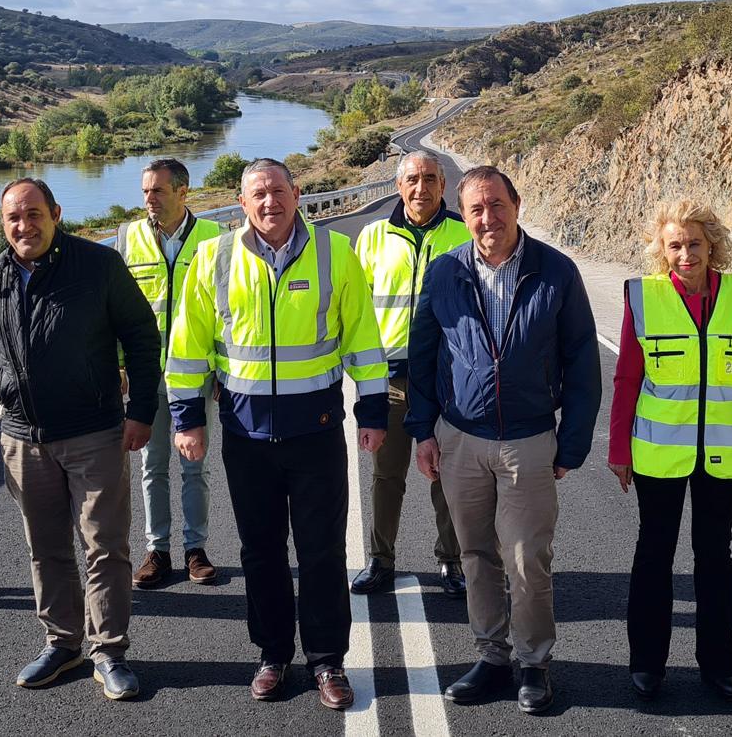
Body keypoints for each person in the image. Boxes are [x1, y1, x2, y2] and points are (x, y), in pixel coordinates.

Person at [165, 158, 388, 711]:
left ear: (298, 194)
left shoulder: (336, 253)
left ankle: (328, 661)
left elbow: (361, 333)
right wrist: (187, 416)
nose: (270, 202)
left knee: (321, 552)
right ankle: (272, 656)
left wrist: (375, 408)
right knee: (260, 552)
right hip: (245, 435)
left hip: (315, 432)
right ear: (241, 203)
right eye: (258, 194)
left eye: (279, 191)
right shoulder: (214, 257)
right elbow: (189, 343)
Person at [0, 178, 161, 702]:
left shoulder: (98, 266)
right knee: (46, 549)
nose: (25, 226)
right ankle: (62, 644)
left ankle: (108, 651)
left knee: (104, 547)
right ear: (4, 224)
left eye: (35, 214)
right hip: (22, 439)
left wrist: (142, 411)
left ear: (55, 213)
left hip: (94, 431)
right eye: (15, 218)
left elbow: (141, 335)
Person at [407, 165, 602, 716]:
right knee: (475, 555)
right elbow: (422, 357)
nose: (487, 218)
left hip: (528, 439)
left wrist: (573, 442)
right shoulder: (445, 272)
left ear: (516, 204)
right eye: (475, 209)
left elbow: (582, 362)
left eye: (496, 205)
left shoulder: (556, 271)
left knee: (527, 559)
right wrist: (423, 430)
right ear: (463, 216)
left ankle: (534, 662)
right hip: (460, 439)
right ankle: (492, 657)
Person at [607, 199, 732, 704]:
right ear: (661, 249)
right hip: (659, 453)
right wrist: (619, 447)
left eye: (695, 244)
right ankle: (647, 665)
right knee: (654, 556)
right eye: (675, 245)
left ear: (711, 245)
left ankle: (719, 664)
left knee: (715, 558)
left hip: (724, 452)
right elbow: (627, 378)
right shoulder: (645, 297)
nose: (686, 254)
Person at [351, 151, 471, 598]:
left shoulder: (464, 235)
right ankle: (381, 561)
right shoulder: (371, 237)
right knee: (388, 475)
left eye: (429, 180)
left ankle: (453, 562)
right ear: (398, 187)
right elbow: (356, 310)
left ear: (444, 185)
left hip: (450, 380)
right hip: (392, 380)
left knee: (448, 475)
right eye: (412, 180)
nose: (421, 188)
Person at [114, 157, 223, 589]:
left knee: (195, 465)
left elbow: (227, 310)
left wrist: (221, 369)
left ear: (183, 192)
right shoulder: (129, 237)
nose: (149, 200)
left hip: (195, 373)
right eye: (145, 192)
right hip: (146, 375)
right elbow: (116, 308)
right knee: (151, 465)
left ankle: (195, 549)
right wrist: (120, 362)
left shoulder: (215, 238)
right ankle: (158, 550)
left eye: (157, 191)